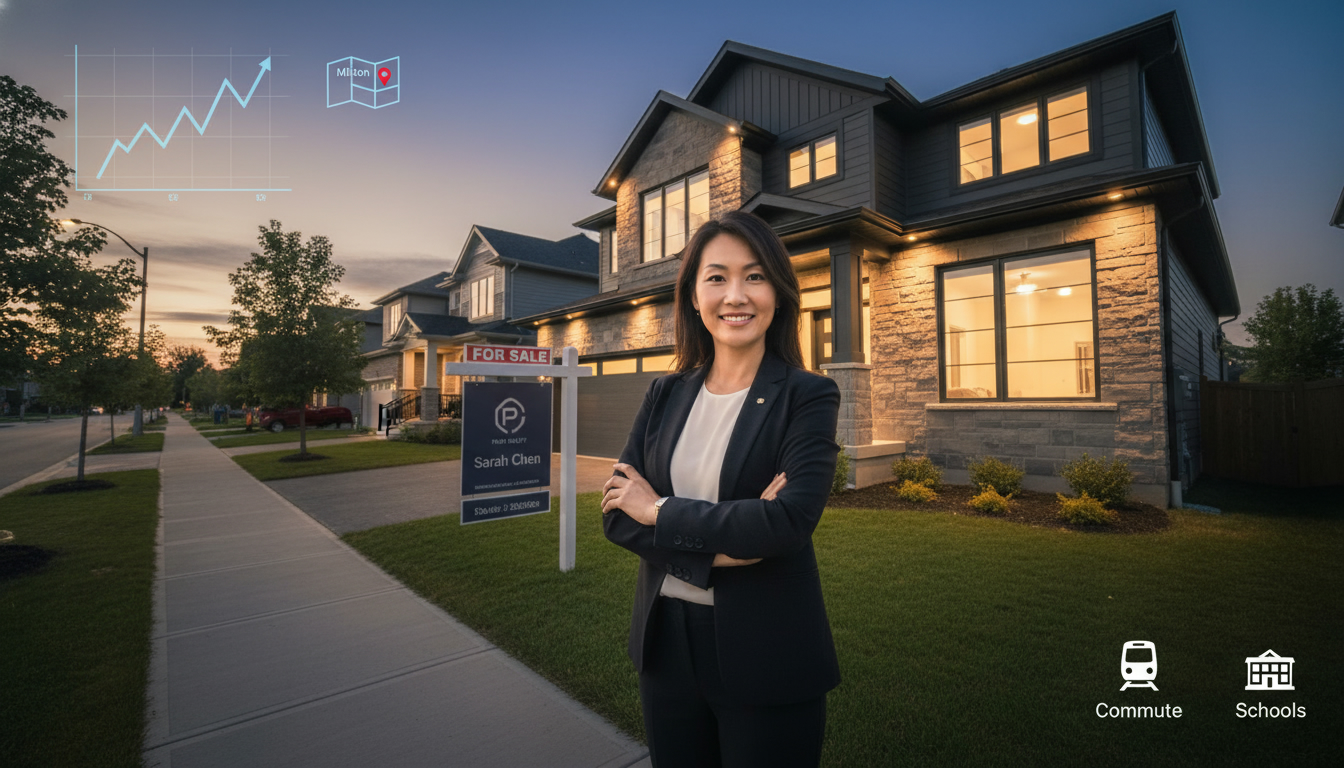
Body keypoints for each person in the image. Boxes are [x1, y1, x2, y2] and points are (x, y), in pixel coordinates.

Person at [601, 210, 842, 767]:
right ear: (692, 295)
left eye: (755, 276)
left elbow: (785, 524)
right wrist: (730, 541)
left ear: (779, 293)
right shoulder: (665, 393)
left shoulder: (808, 395)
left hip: (767, 651)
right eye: (717, 277)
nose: (736, 295)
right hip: (665, 650)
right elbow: (616, 514)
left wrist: (657, 509)